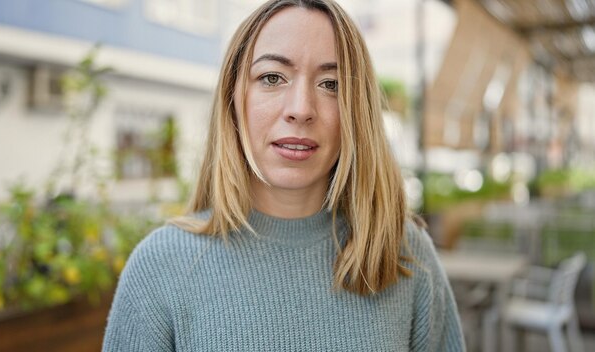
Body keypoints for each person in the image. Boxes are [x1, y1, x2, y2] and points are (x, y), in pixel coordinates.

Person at [103, 0, 465, 350]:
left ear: (357, 110)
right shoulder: (160, 267)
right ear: (234, 99)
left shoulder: (404, 254)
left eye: (331, 84)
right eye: (272, 77)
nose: (301, 109)